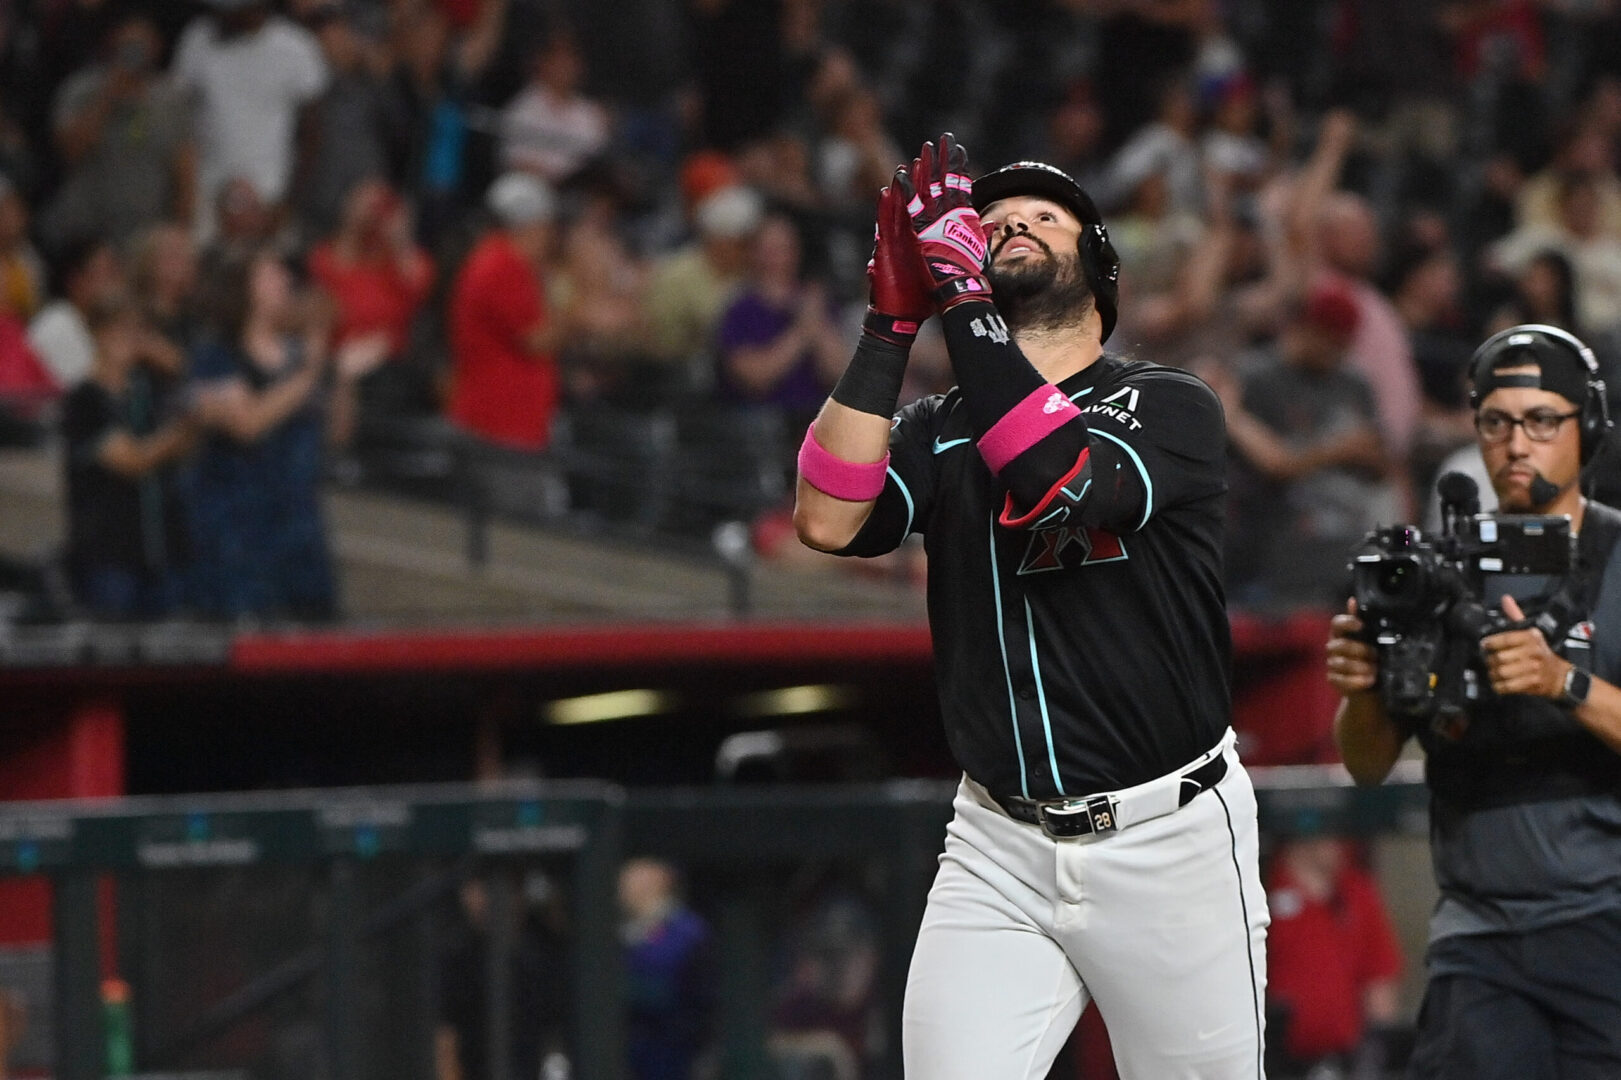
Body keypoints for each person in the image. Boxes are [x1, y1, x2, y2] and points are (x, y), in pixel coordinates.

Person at [793, 135, 1267, 1079]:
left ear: (1098, 266)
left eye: (1042, 215)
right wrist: (889, 326)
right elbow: (827, 518)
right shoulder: (939, 425)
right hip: (997, 842)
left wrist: (964, 302)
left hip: (1164, 838)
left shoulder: (1167, 404)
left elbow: (1055, 478)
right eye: (992, 217)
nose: (1009, 222)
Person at [1327, 323, 1621, 1079]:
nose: (1515, 443)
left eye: (1540, 420)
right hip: (1477, 939)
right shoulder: (1425, 571)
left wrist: (1563, 682)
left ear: (1586, 428)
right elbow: (1365, 764)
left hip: (1606, 923)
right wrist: (1361, 692)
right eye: (1495, 421)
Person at [60, 294, 197, 619]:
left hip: (161, 547)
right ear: (98, 333)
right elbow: (132, 460)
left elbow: (193, 383)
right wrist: (185, 428)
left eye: (136, 331)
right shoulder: (84, 399)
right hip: (109, 555)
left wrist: (171, 363)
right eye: (117, 330)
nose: (127, 339)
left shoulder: (146, 392)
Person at [446, 172, 563, 450]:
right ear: (531, 226)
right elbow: (538, 340)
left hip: (505, 423)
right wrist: (577, 309)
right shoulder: (502, 265)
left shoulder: (500, 261)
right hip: (500, 427)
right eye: (547, 227)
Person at [619, 858, 714, 1080]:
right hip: (628, 1052)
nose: (624, 882)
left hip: (672, 1052)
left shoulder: (687, 932)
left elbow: (686, 991)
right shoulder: (622, 933)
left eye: (635, 873)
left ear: (659, 877)